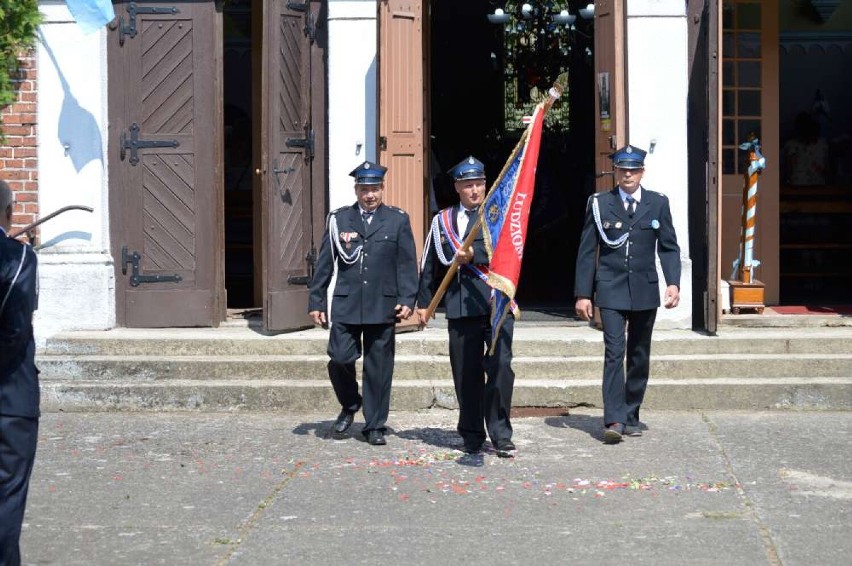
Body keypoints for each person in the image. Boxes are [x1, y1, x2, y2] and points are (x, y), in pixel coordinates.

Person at [574, 145, 680, 445]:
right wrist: (584, 293)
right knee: (614, 352)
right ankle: (614, 419)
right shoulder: (599, 203)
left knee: (639, 353)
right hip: (610, 288)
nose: (628, 174)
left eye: (633, 169)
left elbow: (669, 246)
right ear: (616, 172)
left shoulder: (657, 203)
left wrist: (673, 282)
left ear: (642, 172)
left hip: (645, 289)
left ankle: (632, 413)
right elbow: (586, 251)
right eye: (622, 169)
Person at [308, 161, 418, 446]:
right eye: (364, 189)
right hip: (347, 304)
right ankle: (350, 402)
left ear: (382, 189)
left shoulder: (397, 220)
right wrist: (316, 299)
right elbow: (324, 263)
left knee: (378, 368)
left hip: (383, 304)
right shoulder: (339, 220)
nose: (370, 195)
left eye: (375, 189)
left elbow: (406, 264)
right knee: (340, 358)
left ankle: (375, 425)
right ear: (356, 190)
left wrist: (408, 299)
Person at [416, 156, 516, 457]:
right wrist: (424, 304)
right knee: (465, 374)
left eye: (479, 184)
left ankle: (500, 433)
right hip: (461, 308)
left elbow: (510, 253)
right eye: (468, 185)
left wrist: (476, 256)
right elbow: (430, 264)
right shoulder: (442, 221)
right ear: (457, 187)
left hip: (495, 303)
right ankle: (471, 433)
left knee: (500, 368)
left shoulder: (500, 216)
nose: (475, 190)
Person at [0, 179, 40, 565]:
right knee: (8, 493)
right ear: (10, 213)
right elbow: (15, 328)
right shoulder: (19, 257)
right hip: (10, 396)